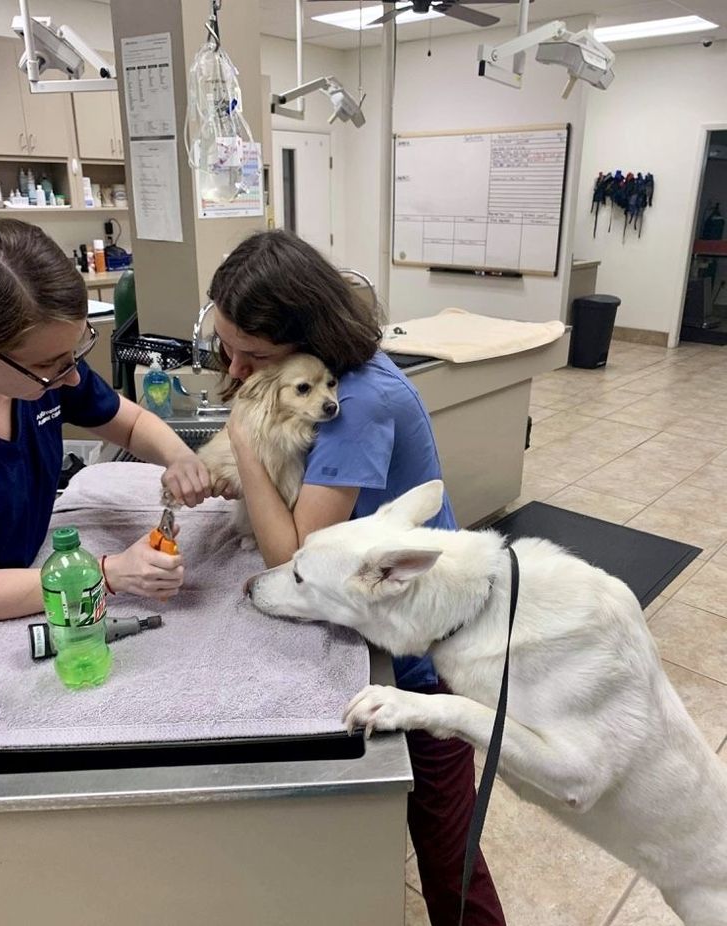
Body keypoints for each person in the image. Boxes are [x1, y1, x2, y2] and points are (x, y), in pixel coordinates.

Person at [200, 229, 506, 926]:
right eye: (228, 348)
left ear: (305, 335)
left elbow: (295, 559)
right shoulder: (339, 375)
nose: (237, 370)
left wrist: (244, 443)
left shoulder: (358, 402)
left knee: (447, 844)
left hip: (425, 647)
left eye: (254, 355)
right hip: (383, 614)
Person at [0, 219, 212, 621]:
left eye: (75, 353)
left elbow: (128, 423)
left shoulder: (50, 377)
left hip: (34, 572)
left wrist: (180, 458)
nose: (72, 378)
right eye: (47, 366)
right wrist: (104, 573)